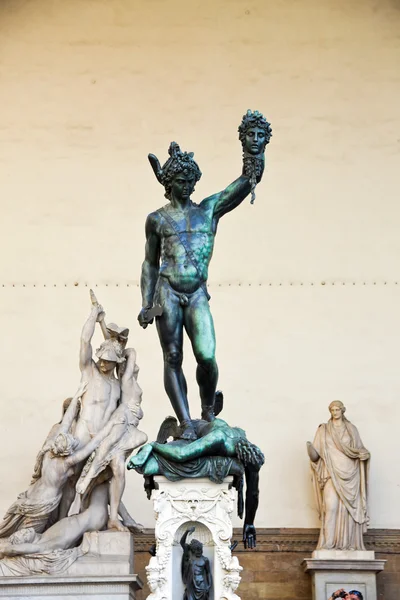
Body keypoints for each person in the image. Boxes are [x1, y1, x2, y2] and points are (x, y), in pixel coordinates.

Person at [138, 111, 271, 440]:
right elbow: (150, 264)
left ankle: (207, 410)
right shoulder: (156, 220)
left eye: (190, 182)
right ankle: (185, 423)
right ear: (168, 184)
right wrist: (146, 302)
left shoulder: (208, 210)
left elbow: (242, 185)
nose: (186, 187)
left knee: (207, 356)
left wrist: (254, 151)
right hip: (167, 291)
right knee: (172, 356)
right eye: (180, 182)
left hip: (196, 292)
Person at [128, 417, 264, 549]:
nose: (248, 471)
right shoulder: (219, 438)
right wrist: (154, 446)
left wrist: (250, 523)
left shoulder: (247, 447)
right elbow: (181, 454)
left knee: (234, 467)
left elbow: (253, 492)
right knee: (154, 465)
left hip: (208, 436)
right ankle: (151, 447)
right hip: (191, 433)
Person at [71, 348, 148, 531]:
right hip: (122, 419)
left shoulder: (123, 384)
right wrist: (122, 352)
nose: (134, 368)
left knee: (118, 469)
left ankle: (115, 517)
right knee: (105, 444)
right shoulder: (126, 379)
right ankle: (87, 479)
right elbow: (132, 351)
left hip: (129, 426)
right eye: (131, 367)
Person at [0, 382, 87, 538]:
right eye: (69, 410)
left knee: (65, 500)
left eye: (75, 409)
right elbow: (48, 446)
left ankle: (60, 523)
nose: (73, 412)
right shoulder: (57, 429)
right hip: (56, 479)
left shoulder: (79, 430)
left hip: (67, 478)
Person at [307, 401, 370, 550]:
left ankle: (350, 544)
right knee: (331, 507)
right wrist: (310, 449)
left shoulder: (352, 430)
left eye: (337, 410)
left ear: (343, 411)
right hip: (331, 472)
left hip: (350, 474)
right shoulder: (323, 430)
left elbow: (359, 449)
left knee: (348, 510)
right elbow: (316, 456)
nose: (335, 412)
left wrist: (365, 454)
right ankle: (328, 544)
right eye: (332, 410)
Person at [180, 526, 212, 600]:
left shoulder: (205, 560)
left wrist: (209, 585)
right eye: (197, 550)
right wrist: (187, 531)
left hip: (202, 585)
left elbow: (208, 573)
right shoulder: (189, 555)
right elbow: (182, 543)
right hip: (191, 584)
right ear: (193, 550)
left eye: (200, 550)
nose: (199, 552)